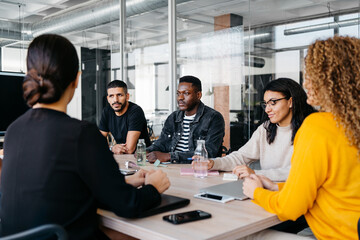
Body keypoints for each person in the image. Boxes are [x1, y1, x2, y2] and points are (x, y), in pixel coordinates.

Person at [0, 34, 170, 239]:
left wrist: (126, 183)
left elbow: (62, 187)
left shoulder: (13, 132)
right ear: (77, 79)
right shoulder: (81, 134)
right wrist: (154, 187)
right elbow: (128, 206)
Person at [243, 36, 360, 239]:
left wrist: (256, 192)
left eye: (311, 75)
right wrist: (276, 186)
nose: (305, 83)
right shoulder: (352, 125)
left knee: (247, 235)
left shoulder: (318, 126)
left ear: (330, 80)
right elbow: (333, 189)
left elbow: (290, 209)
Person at [203, 78, 315, 181]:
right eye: (266, 104)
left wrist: (255, 174)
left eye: (273, 103)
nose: (267, 109)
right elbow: (241, 157)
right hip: (265, 190)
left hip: (295, 193)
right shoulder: (266, 129)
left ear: (290, 102)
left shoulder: (310, 130)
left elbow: (301, 171)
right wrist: (213, 163)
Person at [146, 75, 225, 164]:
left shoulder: (213, 118)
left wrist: (169, 156)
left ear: (198, 95)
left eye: (186, 93)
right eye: (178, 93)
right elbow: (161, 143)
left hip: (198, 169)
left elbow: (209, 153)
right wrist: (146, 151)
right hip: (171, 166)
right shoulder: (173, 117)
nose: (180, 98)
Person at [99, 80, 151, 154]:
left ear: (127, 96)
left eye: (119, 95)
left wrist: (110, 148)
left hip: (141, 158)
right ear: (108, 99)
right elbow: (98, 142)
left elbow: (129, 149)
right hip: (120, 156)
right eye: (111, 96)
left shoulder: (135, 111)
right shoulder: (107, 111)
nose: (115, 100)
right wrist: (111, 148)